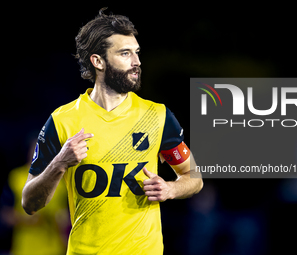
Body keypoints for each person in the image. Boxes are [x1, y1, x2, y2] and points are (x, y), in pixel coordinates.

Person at [22, 7, 203, 255]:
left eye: (137, 53)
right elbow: (29, 204)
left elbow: (193, 176)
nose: (137, 61)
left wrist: (171, 189)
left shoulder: (157, 116)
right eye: (125, 53)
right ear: (98, 61)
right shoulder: (62, 120)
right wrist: (59, 163)